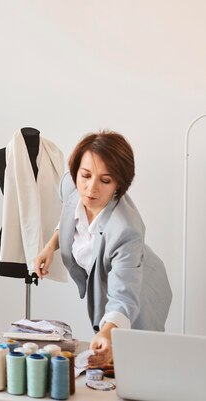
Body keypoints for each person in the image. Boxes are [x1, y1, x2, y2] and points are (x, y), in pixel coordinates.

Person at [33, 131, 171, 368]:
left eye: (105, 180)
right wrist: (50, 246)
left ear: (119, 184)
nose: (90, 189)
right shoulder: (71, 184)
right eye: (85, 175)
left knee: (135, 358)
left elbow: (123, 296)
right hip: (112, 282)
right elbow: (68, 217)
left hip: (141, 286)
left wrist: (108, 332)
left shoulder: (126, 230)